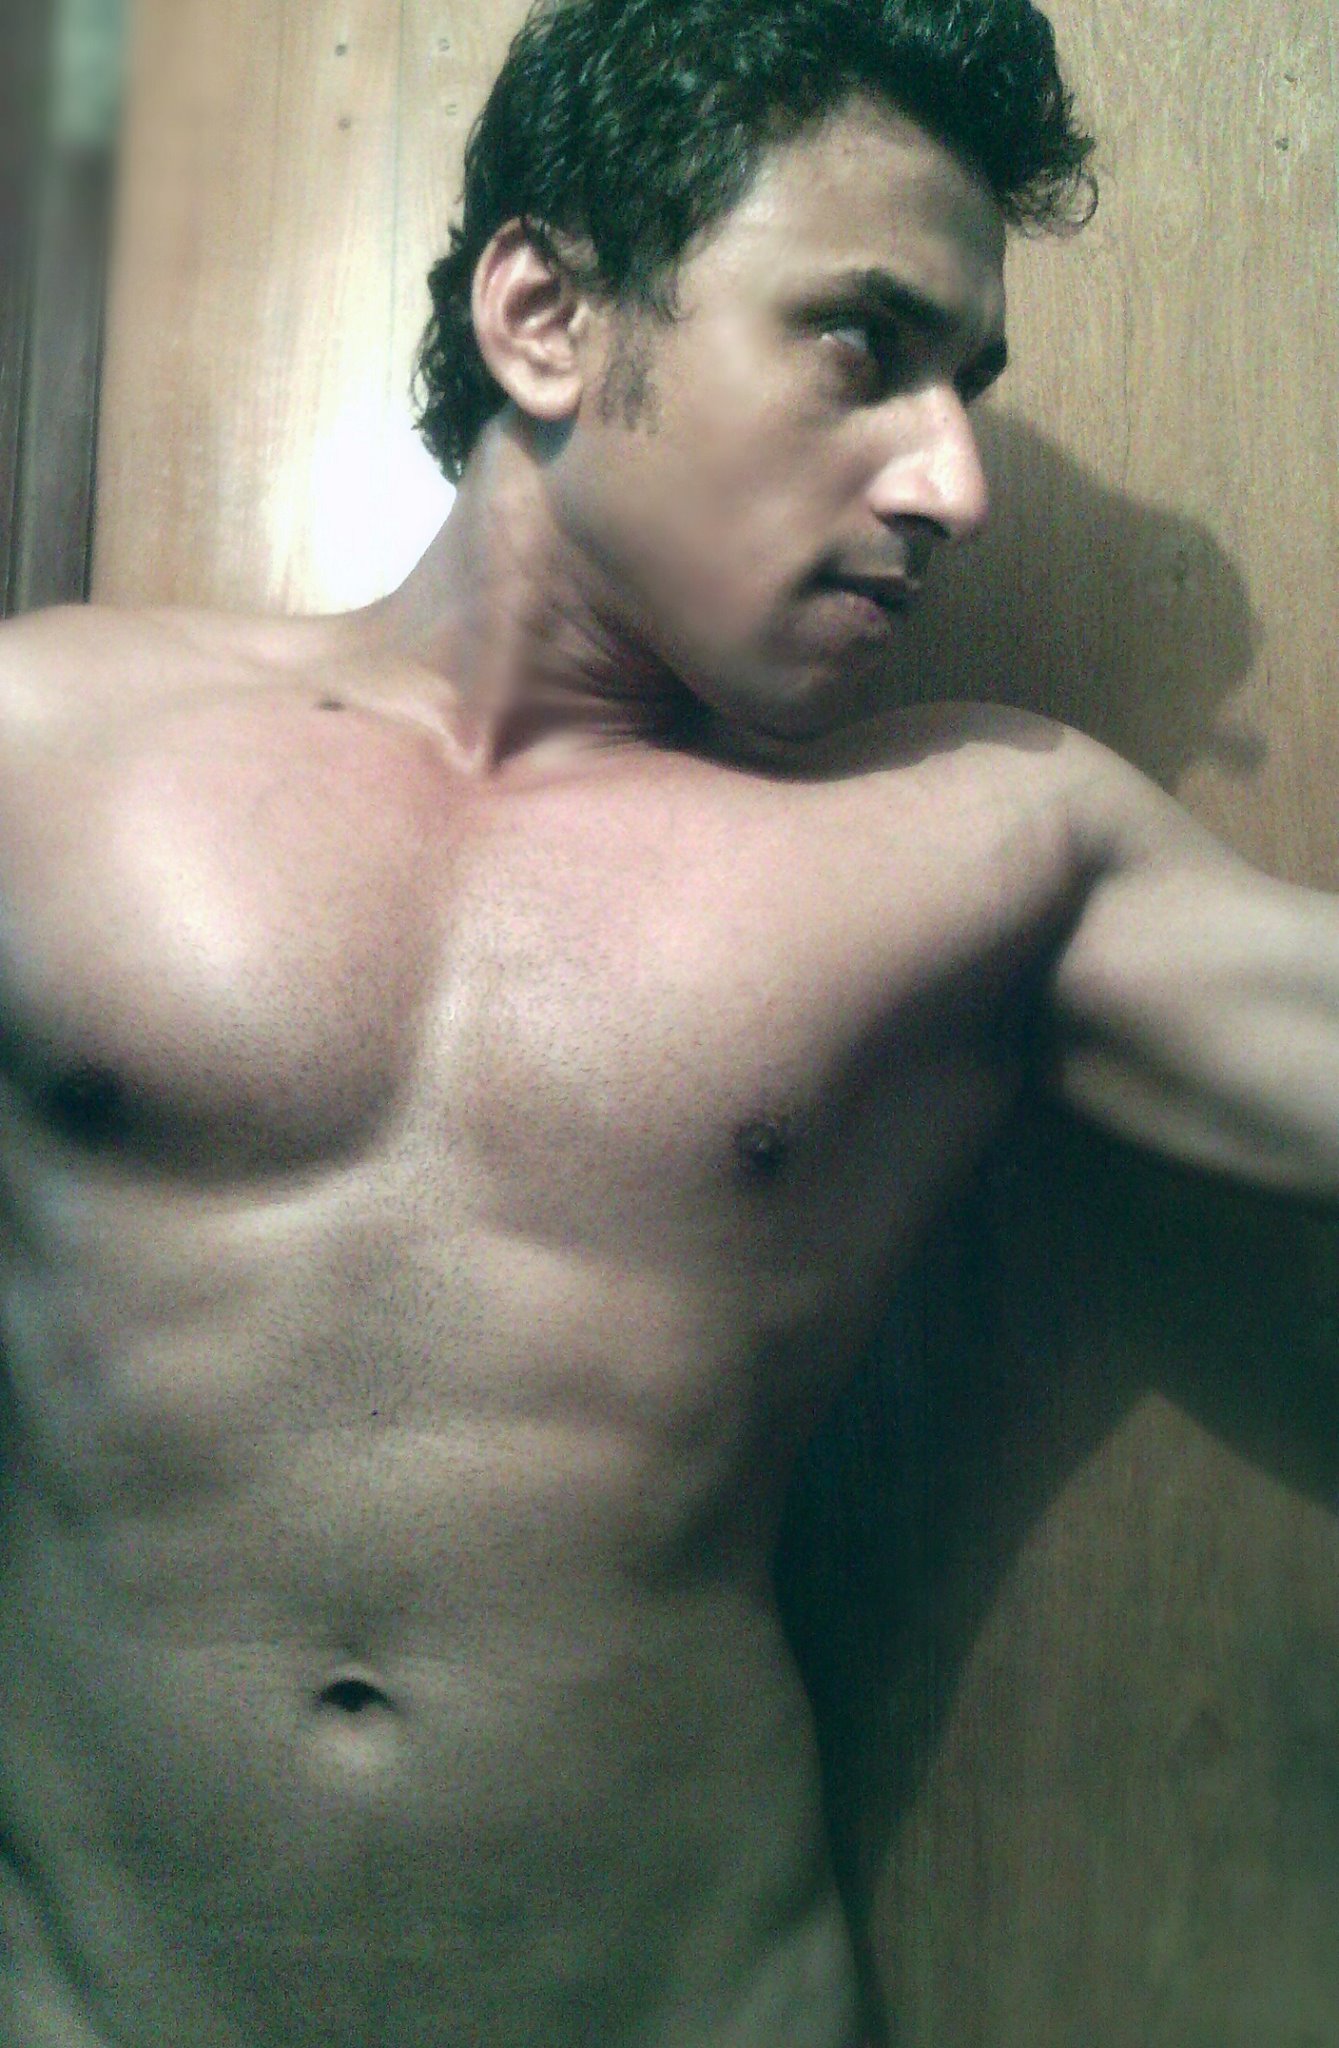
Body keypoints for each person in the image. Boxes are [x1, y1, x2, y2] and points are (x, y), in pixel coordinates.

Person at [0, 0, 1334, 2042]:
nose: (953, 481)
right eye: (862, 344)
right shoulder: (44, 744)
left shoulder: (977, 843)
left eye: (968, 389)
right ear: (545, 317)